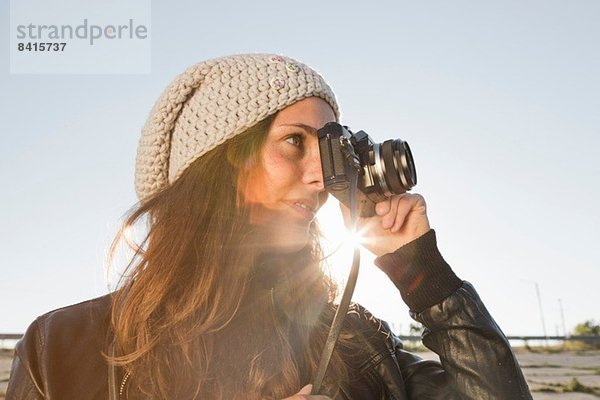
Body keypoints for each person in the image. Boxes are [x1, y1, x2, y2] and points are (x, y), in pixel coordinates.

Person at [7, 53, 532, 400]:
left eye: (329, 152)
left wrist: (424, 274)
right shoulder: (62, 346)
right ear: (219, 162)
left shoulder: (358, 342)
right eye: (294, 141)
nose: (320, 177)